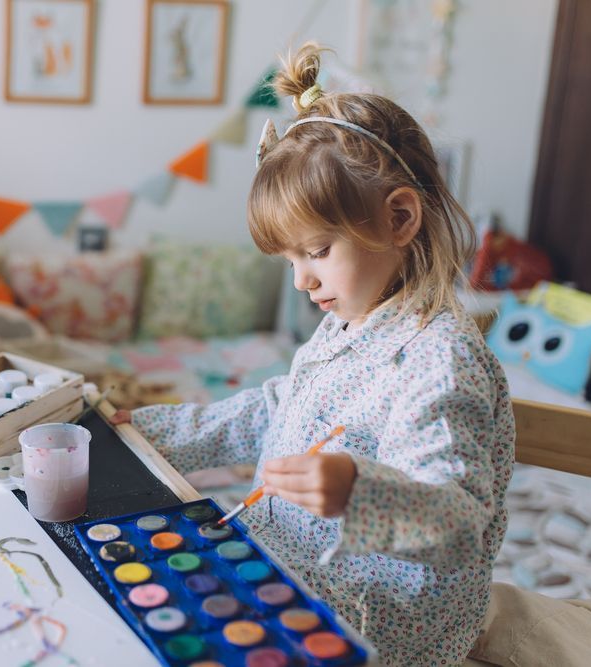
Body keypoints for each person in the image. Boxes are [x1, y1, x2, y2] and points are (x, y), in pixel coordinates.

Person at [111, 42, 515, 667]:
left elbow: (458, 519)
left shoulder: (441, 359)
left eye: (318, 252)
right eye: (291, 261)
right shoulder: (350, 319)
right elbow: (275, 411)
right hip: (286, 565)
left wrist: (358, 490)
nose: (301, 281)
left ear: (399, 219)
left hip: (373, 624)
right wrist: (147, 432)